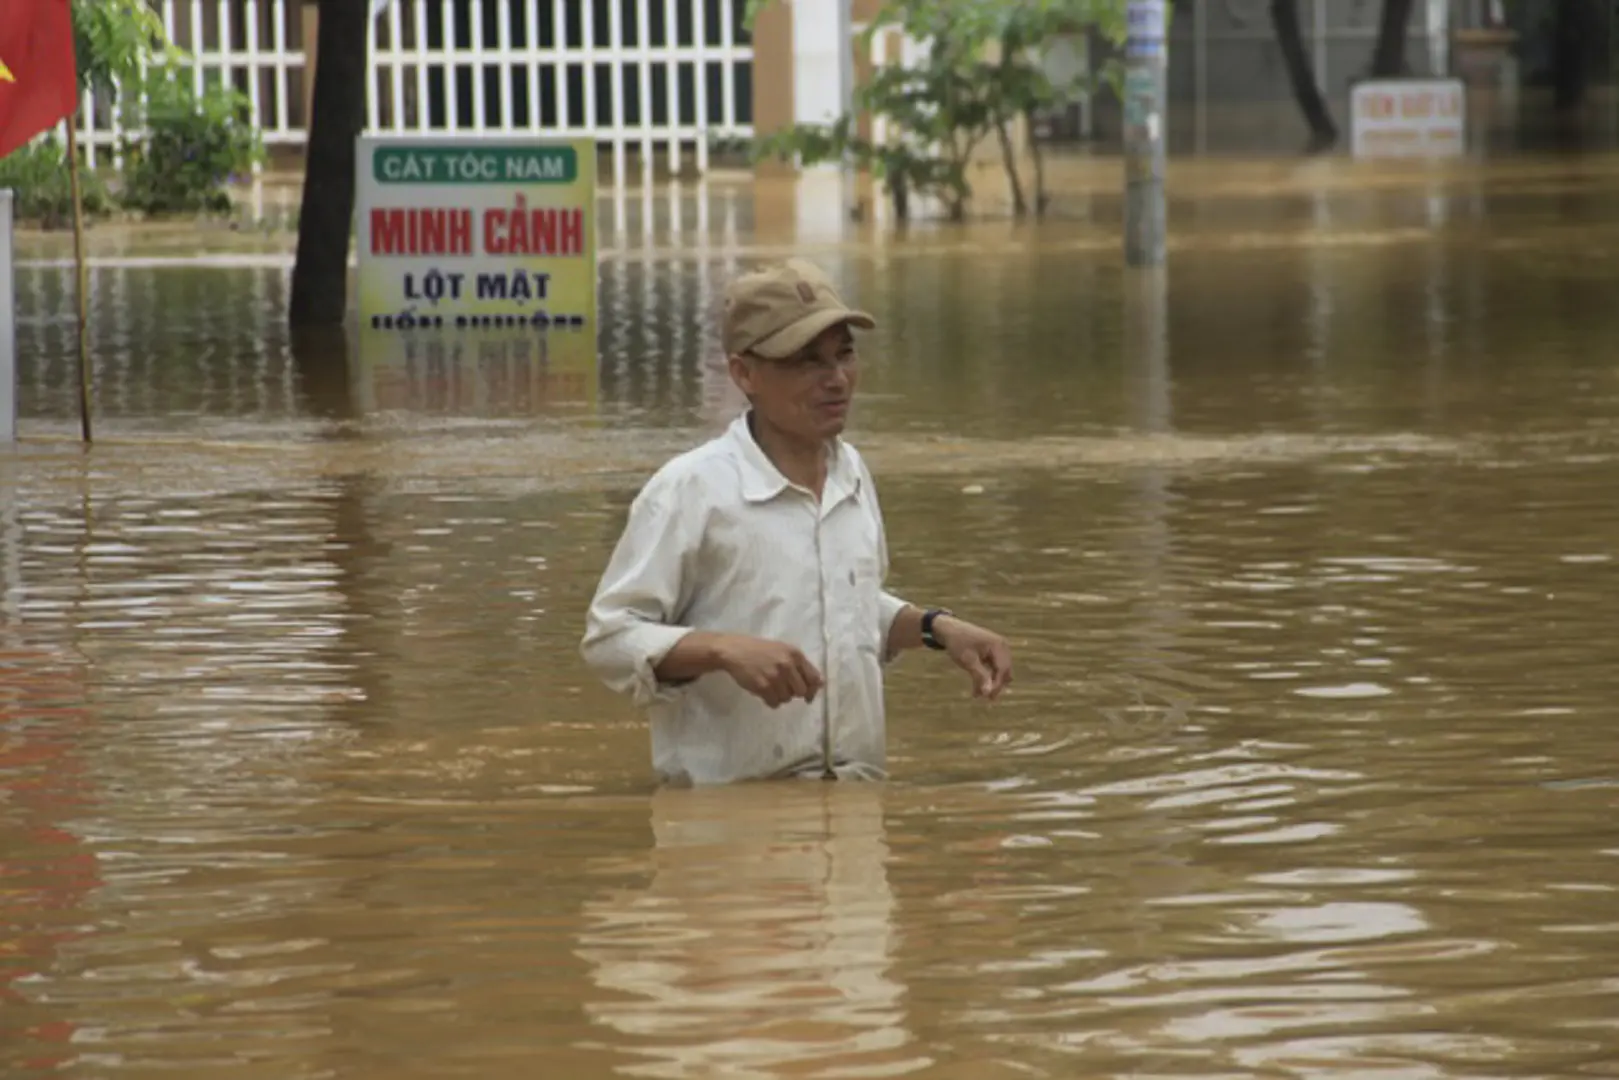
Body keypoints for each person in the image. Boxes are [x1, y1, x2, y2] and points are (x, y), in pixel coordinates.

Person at [579, 258, 1013, 786]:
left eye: (844, 354)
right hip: (730, 823)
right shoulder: (691, 490)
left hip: (855, 802)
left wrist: (935, 628)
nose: (835, 379)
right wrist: (722, 649)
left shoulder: (851, 474)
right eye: (805, 360)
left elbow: (845, 606)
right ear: (744, 374)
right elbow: (610, 639)